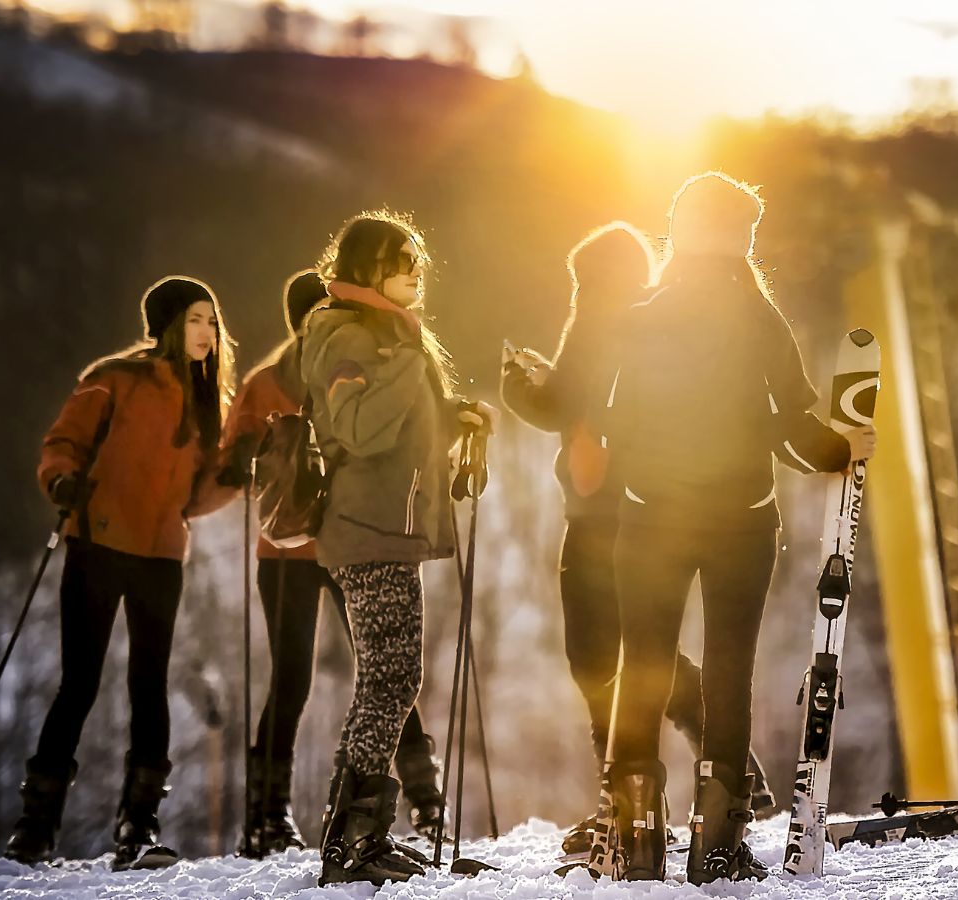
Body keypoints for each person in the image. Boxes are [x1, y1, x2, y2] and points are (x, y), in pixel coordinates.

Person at [599, 173, 876, 883]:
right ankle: (716, 845)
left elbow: (614, 425)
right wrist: (844, 449)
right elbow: (790, 430)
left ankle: (633, 838)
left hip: (649, 518)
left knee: (645, 667)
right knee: (728, 672)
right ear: (738, 237)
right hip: (739, 522)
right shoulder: (759, 317)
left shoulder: (641, 313)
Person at [501, 222, 779, 857]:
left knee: (598, 660)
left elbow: (557, 404)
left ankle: (621, 808)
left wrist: (517, 381)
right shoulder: (660, 322)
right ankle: (728, 775)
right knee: (644, 654)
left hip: (601, 517)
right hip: (653, 507)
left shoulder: (599, 317)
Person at [5, 275, 235, 870]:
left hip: (161, 554)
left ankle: (138, 827)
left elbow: (197, 495)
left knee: (149, 683)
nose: (207, 332)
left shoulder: (209, 401)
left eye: (211, 321)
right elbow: (63, 443)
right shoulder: (115, 380)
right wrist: (61, 481)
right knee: (79, 684)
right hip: (99, 544)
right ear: (165, 325)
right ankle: (35, 828)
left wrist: (239, 472)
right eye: (194, 319)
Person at [300, 211, 497, 886]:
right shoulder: (344, 333)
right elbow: (356, 426)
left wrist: (453, 418)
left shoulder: (386, 336)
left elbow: (401, 428)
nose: (416, 269)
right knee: (391, 678)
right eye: (402, 258)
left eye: (418, 257)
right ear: (366, 267)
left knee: (386, 678)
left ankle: (350, 828)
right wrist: (412, 366)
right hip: (370, 529)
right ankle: (355, 836)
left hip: (387, 525)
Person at [219, 270, 445, 858]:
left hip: (340, 542)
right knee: (300, 677)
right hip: (291, 550)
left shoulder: (353, 363)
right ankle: (270, 815)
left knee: (383, 669)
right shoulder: (272, 382)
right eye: (315, 311)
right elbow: (232, 453)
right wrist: (246, 455)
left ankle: (418, 798)